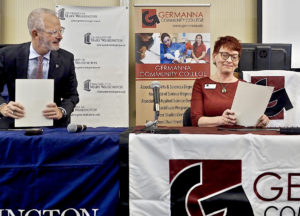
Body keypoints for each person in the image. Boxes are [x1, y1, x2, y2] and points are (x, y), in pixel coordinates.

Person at [0, 8, 79, 127]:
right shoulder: (8, 55)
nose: (60, 36)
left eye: (60, 30)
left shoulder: (66, 59)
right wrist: (2, 107)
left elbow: (72, 95)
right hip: (15, 124)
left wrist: (61, 111)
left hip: (54, 126)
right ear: (35, 34)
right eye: (53, 32)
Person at [190, 36, 270, 127]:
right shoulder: (200, 84)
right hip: (210, 139)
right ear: (214, 56)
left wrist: (261, 121)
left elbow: (250, 122)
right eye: (224, 55)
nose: (229, 60)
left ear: (238, 61)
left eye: (234, 57)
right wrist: (221, 120)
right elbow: (196, 121)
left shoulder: (246, 86)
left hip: (239, 139)